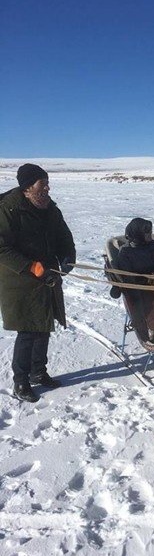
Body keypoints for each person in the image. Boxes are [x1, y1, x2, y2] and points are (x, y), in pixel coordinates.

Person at [0, 164, 76, 402]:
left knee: (43, 325)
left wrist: (68, 257)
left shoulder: (50, 209)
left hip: (48, 275)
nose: (47, 190)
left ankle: (38, 372)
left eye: (47, 184)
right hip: (19, 279)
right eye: (42, 186)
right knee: (28, 330)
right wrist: (31, 266)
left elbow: (65, 237)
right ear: (27, 188)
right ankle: (20, 381)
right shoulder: (9, 209)